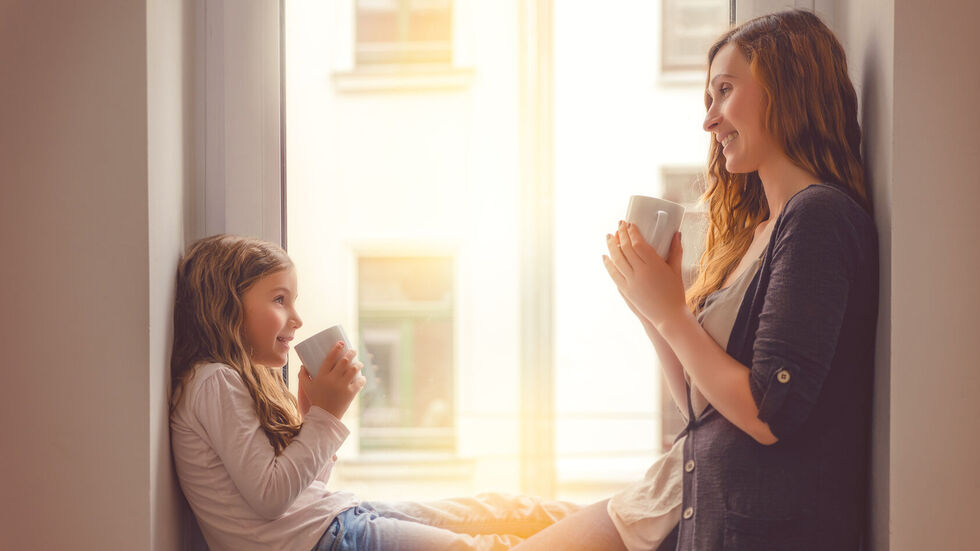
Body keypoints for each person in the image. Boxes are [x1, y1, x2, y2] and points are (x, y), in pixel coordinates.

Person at [510, 9, 878, 551]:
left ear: (788, 86)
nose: (710, 121)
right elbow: (701, 405)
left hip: (743, 525)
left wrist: (670, 313)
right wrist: (650, 306)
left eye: (724, 91)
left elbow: (767, 413)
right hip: (684, 506)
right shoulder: (762, 232)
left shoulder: (819, 217)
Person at [169, 234, 578, 551]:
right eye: (280, 299)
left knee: (500, 508)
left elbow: (297, 493)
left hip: (334, 522)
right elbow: (270, 498)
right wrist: (325, 419)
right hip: (327, 540)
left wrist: (313, 415)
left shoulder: (232, 380)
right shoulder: (213, 382)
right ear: (226, 305)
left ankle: (629, 521)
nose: (296, 318)